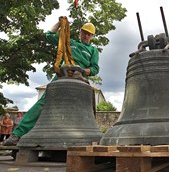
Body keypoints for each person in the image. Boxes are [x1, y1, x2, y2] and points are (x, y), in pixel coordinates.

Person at [3, 18, 99, 146]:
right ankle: (17, 134)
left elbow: (94, 69)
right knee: (42, 103)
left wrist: (82, 71)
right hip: (62, 76)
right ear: (80, 32)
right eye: (84, 32)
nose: (86, 36)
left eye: (89, 34)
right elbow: (49, 35)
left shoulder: (93, 50)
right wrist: (60, 23)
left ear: (92, 36)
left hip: (80, 78)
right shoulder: (69, 42)